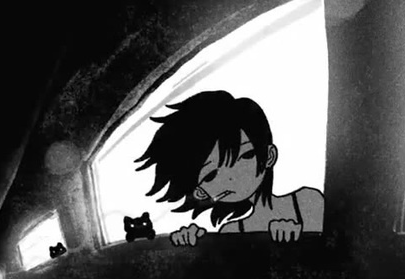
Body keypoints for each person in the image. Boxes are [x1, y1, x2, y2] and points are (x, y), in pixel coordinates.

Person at [134, 90, 324, 246]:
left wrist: (300, 238)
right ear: (200, 192)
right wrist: (193, 247)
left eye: (245, 156)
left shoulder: (307, 202)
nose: (232, 176)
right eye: (211, 175)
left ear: (269, 156)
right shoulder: (230, 232)